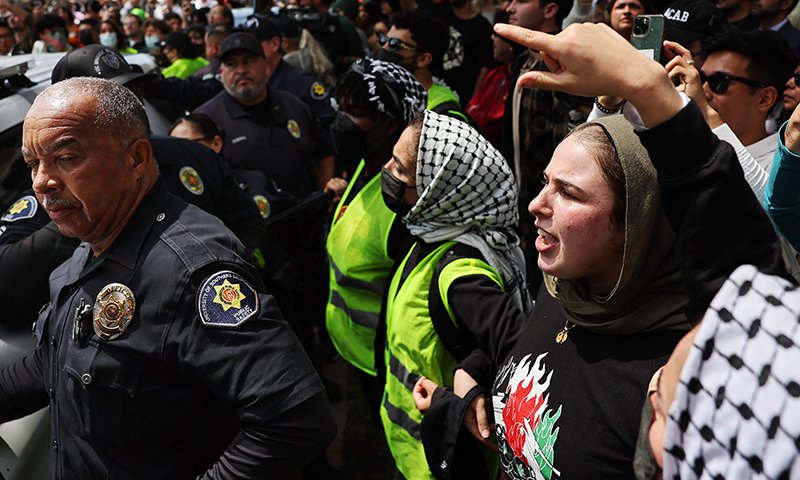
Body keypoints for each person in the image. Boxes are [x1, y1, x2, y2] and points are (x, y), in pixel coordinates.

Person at [0, 76, 335, 479]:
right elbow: (54, 357)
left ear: (137, 158)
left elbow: (294, 421)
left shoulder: (193, 268)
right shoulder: (92, 240)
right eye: (34, 164)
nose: (41, 182)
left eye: (67, 158)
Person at [381, 110, 531, 479]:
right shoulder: (431, 233)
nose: (387, 171)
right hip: (414, 448)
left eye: (401, 170)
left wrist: (462, 393)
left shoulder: (461, 276)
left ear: (438, 191)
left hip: (441, 462)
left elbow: (527, 353)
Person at [325, 57, 426, 377]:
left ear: (390, 123)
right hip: (352, 348)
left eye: (357, 114)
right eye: (341, 110)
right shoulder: (366, 163)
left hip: (380, 361)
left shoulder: (403, 200)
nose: (343, 122)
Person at [699, 28, 796, 172]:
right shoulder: (690, 147)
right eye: (700, 79)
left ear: (764, 98)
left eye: (719, 82)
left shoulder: (783, 166)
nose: (702, 92)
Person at [378, 9, 470, 123]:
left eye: (395, 44)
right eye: (383, 40)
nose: (384, 48)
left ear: (423, 59)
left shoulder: (444, 114)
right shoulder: (382, 89)